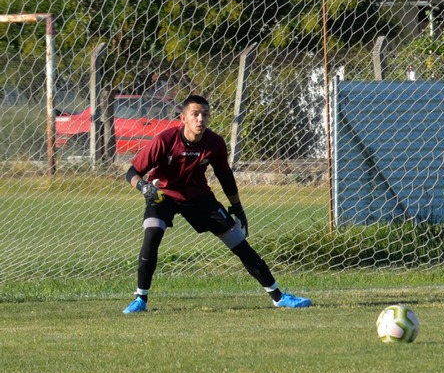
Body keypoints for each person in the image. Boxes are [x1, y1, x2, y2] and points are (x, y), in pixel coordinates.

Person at [121, 95, 311, 313]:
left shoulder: (215, 143)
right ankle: (140, 299)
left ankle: (278, 297)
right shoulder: (165, 140)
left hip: (199, 199)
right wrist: (143, 187)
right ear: (183, 118)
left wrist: (238, 208)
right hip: (163, 197)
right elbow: (132, 172)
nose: (200, 119)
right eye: (195, 114)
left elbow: (225, 177)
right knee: (152, 234)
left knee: (239, 243)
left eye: (204, 114)